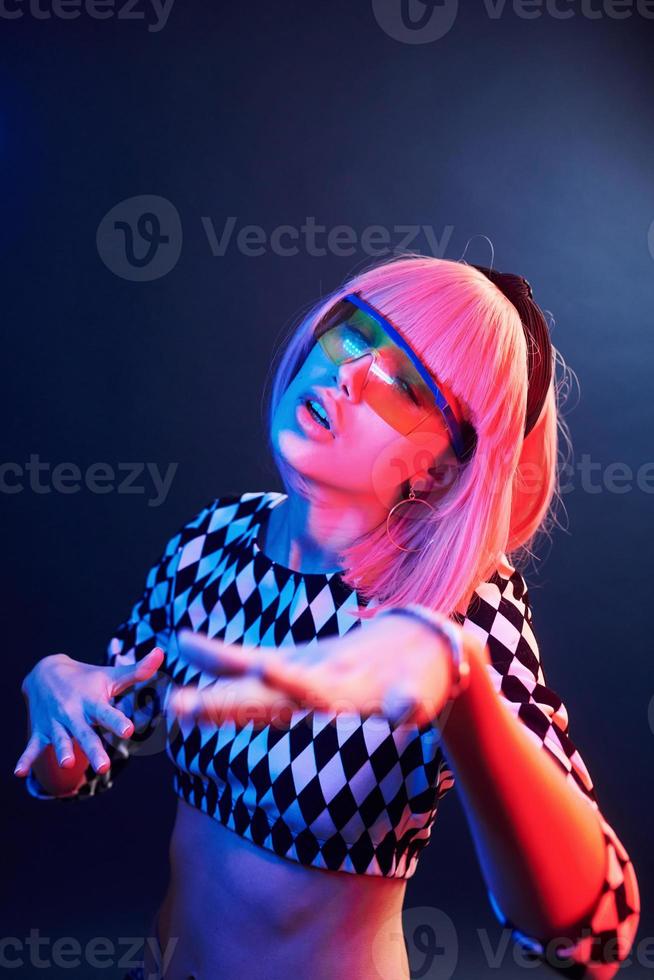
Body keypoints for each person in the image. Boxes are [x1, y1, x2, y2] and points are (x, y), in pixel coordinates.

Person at [16, 255, 640, 979]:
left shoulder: (460, 608)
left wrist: (462, 690)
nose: (350, 375)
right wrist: (55, 690)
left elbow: (596, 938)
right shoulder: (214, 538)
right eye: (355, 336)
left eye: (405, 388)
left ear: (442, 468)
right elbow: (88, 760)